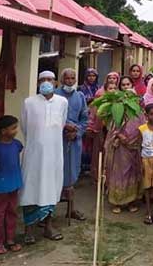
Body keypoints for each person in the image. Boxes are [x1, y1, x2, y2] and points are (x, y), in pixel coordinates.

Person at [20, 71, 68, 244]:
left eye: (49, 79)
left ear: (55, 83)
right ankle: (29, 230)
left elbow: (61, 124)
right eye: (42, 80)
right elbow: (25, 127)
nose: (46, 82)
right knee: (30, 189)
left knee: (51, 188)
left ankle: (48, 227)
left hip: (54, 154)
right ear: (37, 83)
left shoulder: (63, 102)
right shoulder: (29, 102)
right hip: (34, 155)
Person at [55, 68, 89, 222]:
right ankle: (49, 211)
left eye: (72, 78)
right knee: (55, 174)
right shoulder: (54, 95)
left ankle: (71, 209)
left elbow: (84, 119)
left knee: (72, 173)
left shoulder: (80, 96)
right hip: (57, 140)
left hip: (74, 141)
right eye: (67, 78)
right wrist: (64, 127)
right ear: (62, 80)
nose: (70, 81)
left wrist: (77, 132)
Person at [0, 115, 23, 254]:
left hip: (14, 184)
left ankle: (10, 239)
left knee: (12, 212)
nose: (16, 130)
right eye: (13, 128)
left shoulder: (17, 144)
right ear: (4, 131)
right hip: (1, 186)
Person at [104, 111, 144, 214]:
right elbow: (112, 130)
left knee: (132, 174)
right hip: (120, 150)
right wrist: (118, 136)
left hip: (134, 149)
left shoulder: (138, 114)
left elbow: (142, 129)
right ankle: (117, 202)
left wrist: (133, 140)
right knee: (119, 174)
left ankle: (131, 201)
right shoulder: (118, 112)